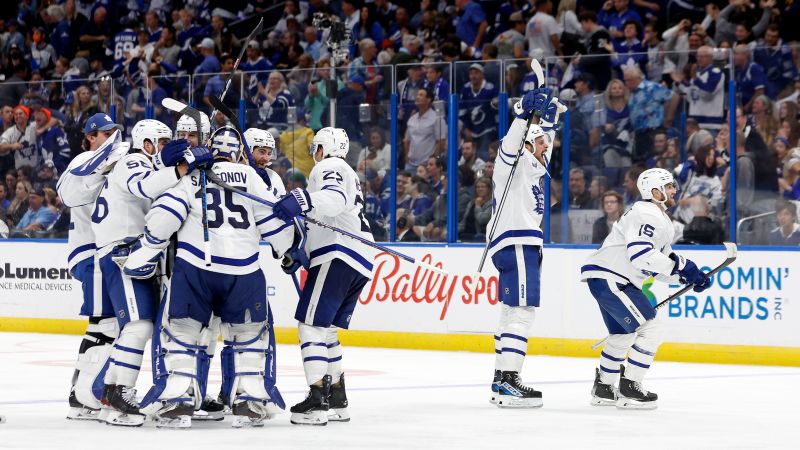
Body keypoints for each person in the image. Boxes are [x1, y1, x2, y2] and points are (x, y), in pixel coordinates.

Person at [124, 126, 296, 428]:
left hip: (196, 268)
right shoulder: (252, 177)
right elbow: (274, 227)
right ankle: (249, 402)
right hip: (244, 271)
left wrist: (149, 244)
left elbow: (165, 217)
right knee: (248, 337)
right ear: (239, 152)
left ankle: (178, 401)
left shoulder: (194, 175)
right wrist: (288, 251)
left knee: (182, 334)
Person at [92, 119, 203, 426]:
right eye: (163, 142)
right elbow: (144, 186)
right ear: (147, 142)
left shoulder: (150, 167)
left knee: (140, 325)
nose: (168, 147)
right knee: (139, 325)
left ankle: (110, 393)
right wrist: (181, 169)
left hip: (130, 252)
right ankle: (119, 393)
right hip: (121, 253)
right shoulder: (132, 161)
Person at [581, 168, 711, 409]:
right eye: (670, 186)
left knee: (623, 334)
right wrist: (683, 267)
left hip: (608, 277)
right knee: (652, 329)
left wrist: (683, 278)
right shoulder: (647, 213)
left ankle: (605, 388)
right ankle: (630, 386)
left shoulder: (654, 215)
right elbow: (641, 255)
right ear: (655, 191)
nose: (675, 190)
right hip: (614, 278)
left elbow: (656, 261)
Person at [272, 127, 375, 425]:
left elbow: (332, 200)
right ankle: (337, 398)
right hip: (356, 259)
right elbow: (324, 218)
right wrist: (301, 251)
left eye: (314, 148)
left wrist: (302, 199)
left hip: (338, 254)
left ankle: (317, 400)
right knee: (326, 330)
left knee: (310, 326)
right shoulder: (347, 171)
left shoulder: (330, 165)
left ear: (323, 148)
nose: (312, 155)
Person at [487, 75, 567, 408]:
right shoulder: (512, 166)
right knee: (522, 312)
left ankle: (499, 377)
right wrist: (522, 115)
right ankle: (508, 381)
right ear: (528, 146)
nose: (547, 148)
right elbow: (512, 145)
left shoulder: (533, 168)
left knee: (510, 311)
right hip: (516, 243)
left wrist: (550, 119)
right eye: (542, 144)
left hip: (518, 244)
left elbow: (542, 139)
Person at [56, 113, 126, 421]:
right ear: (90, 136)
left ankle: (80, 393)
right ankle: (88, 394)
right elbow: (69, 195)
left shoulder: (112, 160)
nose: (110, 137)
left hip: (101, 252)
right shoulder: (84, 159)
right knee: (106, 325)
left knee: (102, 325)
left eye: (113, 132)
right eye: (104, 133)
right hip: (91, 252)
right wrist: (103, 168)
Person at [403, 89, 447, 172]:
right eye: (417, 95)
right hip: (410, 164)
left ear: (428, 100)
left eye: (421, 95)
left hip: (427, 165)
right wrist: (407, 156)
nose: (417, 97)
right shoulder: (412, 118)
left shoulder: (437, 118)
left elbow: (441, 141)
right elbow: (406, 140)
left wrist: (432, 160)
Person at [245, 128, 286, 198]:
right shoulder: (234, 174)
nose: (266, 159)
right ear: (246, 151)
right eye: (262, 152)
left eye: (269, 153)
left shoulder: (273, 177)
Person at [0, 105, 39, 175]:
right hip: (19, 172)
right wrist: (11, 146)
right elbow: (1, 147)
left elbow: (54, 120)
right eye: (16, 114)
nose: (17, 116)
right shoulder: (10, 132)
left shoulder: (34, 126)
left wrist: (42, 129)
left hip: (36, 169)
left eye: (20, 114)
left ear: (27, 116)